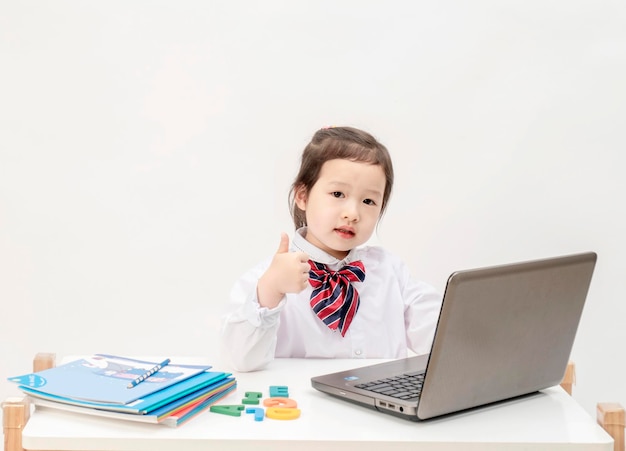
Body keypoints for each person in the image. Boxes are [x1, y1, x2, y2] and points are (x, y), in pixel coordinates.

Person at [220, 126, 442, 372]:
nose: (353, 214)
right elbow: (241, 360)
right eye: (338, 193)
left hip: (379, 406)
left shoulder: (392, 272)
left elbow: (443, 336)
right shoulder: (265, 279)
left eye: (369, 201)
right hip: (302, 407)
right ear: (302, 196)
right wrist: (271, 290)